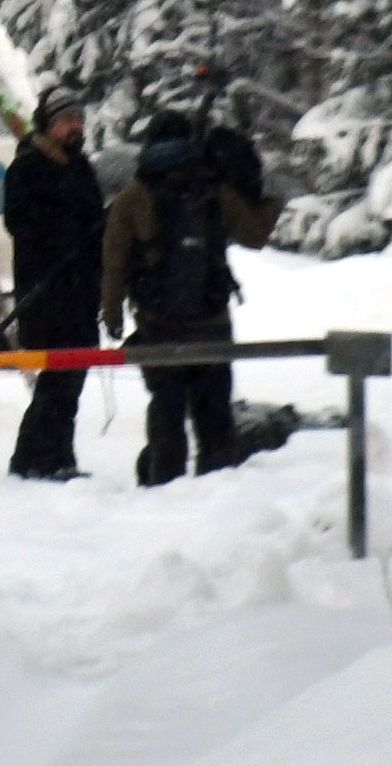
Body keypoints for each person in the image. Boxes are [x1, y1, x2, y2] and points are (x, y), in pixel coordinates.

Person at [100, 92, 267, 484]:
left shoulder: (132, 198)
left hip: (159, 324)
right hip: (213, 321)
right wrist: (263, 196)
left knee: (167, 410)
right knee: (214, 414)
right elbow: (255, 234)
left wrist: (111, 313)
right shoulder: (214, 190)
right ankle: (217, 485)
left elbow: (114, 264)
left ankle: (165, 484)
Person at [1, 85, 105, 481]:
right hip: (46, 292)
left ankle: (40, 457)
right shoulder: (27, 167)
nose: (75, 127)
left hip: (80, 292)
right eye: (66, 120)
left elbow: (93, 222)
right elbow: (20, 223)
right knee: (58, 379)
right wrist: (65, 239)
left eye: (78, 119)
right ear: (48, 125)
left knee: (68, 378)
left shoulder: (81, 168)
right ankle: (47, 459)